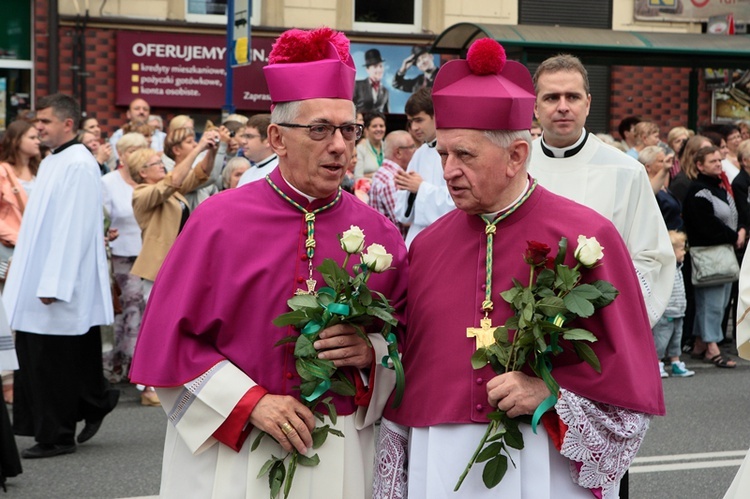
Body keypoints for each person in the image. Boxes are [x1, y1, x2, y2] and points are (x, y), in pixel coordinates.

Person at [374, 38, 664, 499]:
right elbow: (403, 360)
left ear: (515, 157)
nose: (447, 171)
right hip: (440, 457)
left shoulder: (588, 238)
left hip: (542, 456)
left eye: (464, 155)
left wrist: (551, 394)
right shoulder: (426, 246)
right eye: (442, 153)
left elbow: (623, 385)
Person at [129, 27, 407, 498]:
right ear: (277, 137)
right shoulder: (217, 221)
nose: (340, 145)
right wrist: (248, 402)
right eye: (320, 129)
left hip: (339, 452)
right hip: (235, 448)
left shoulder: (378, 233)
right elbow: (169, 345)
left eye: (348, 129)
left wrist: (372, 354)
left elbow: (410, 342)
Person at [3, 93, 119, 459]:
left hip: (55, 282)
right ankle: (94, 400)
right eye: (37, 121)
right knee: (60, 354)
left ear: (67, 124)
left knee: (49, 360)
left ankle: (56, 434)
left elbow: (71, 228)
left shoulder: (77, 164)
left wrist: (54, 283)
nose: (38, 126)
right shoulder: (56, 160)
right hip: (41, 274)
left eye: (45, 121)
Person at [528, 54, 675, 327]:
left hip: (601, 324)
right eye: (551, 98)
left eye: (572, 97)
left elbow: (651, 256)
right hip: (527, 323)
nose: (563, 107)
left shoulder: (625, 171)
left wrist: (604, 308)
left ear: (588, 103)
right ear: (535, 107)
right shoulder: (514, 167)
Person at [130, 132, 219, 301]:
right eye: (156, 163)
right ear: (142, 172)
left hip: (179, 262)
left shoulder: (170, 192)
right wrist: (198, 147)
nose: (162, 166)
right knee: (158, 316)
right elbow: (174, 181)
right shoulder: (141, 194)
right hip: (157, 268)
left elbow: (200, 174)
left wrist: (212, 150)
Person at [683, 146, 744, 369]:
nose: (718, 164)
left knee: (718, 301)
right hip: (708, 254)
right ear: (700, 165)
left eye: (719, 160)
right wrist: (733, 235)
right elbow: (706, 225)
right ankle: (712, 347)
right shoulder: (698, 191)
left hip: (724, 252)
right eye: (712, 161)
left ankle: (700, 342)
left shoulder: (719, 187)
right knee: (711, 303)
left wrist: (740, 231)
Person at [101, 133, 149, 385]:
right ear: (121, 155)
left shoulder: (150, 180)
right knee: (130, 305)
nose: (137, 155)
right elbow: (101, 216)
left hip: (148, 254)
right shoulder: (108, 182)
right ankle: (126, 362)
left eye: (142, 149)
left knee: (138, 308)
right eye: (132, 150)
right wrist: (106, 231)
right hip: (121, 254)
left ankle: (126, 362)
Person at [394, 87, 455, 247]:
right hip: (417, 237)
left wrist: (420, 188)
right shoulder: (420, 153)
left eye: (419, 120)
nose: (414, 127)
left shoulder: (454, 151)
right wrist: (409, 191)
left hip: (445, 239)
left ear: (436, 116)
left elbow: (456, 203)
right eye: (410, 121)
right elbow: (403, 215)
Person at [652, 231, 694, 378]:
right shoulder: (664, 269)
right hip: (667, 311)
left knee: (677, 338)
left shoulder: (679, 267)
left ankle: (676, 362)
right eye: (681, 249)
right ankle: (657, 363)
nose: (684, 252)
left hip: (678, 310)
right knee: (661, 339)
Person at [368, 130, 416, 237]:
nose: (416, 150)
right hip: (397, 247)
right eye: (412, 146)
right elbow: (404, 220)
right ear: (398, 152)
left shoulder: (384, 173)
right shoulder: (393, 179)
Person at [0, 119, 40, 197]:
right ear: (16, 141)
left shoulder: (39, 167)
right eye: (32, 138)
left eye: (37, 138)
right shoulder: (2, 172)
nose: (38, 141)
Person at [236, 113, 279, 185]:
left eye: (249, 136)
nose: (243, 141)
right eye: (244, 136)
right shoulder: (247, 174)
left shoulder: (280, 173)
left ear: (268, 140)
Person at [353, 48, 389, 114]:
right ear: (367, 69)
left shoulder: (385, 91)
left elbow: (387, 114)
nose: (379, 70)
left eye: (381, 66)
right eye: (375, 67)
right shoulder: (357, 85)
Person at [354, 111, 387, 179]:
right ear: (366, 129)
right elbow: (358, 177)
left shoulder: (389, 147)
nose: (378, 129)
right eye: (374, 126)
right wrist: (379, 176)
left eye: (381, 126)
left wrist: (370, 175)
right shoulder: (360, 149)